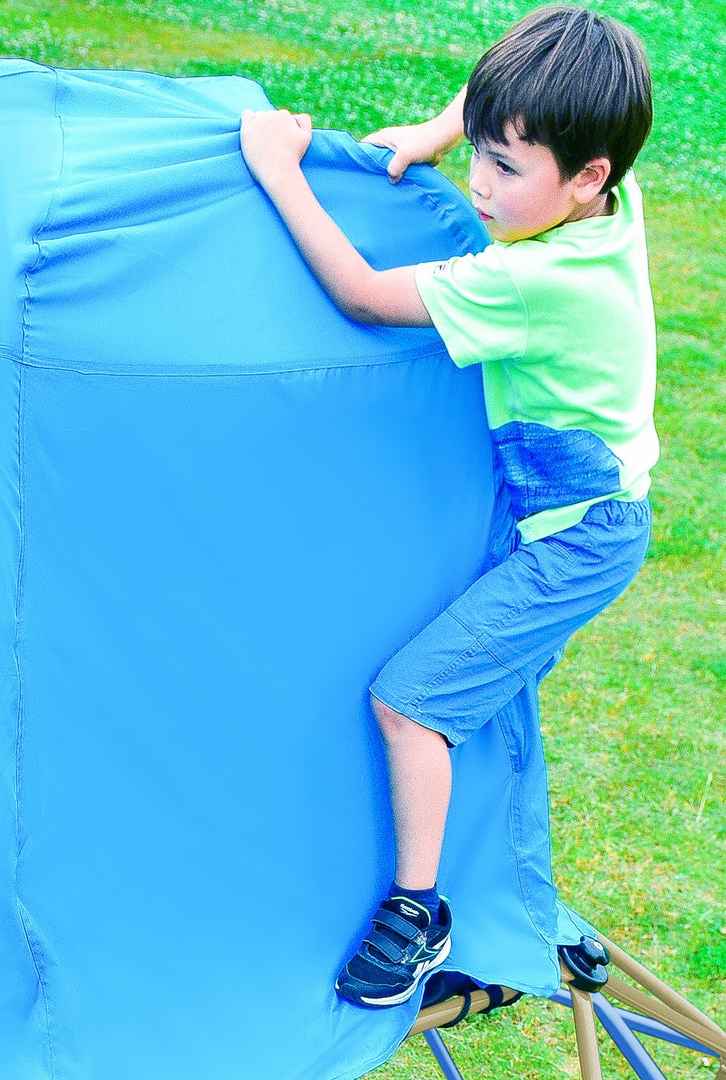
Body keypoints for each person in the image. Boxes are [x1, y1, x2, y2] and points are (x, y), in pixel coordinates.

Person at [238, 5, 656, 1007]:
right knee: (471, 693)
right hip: (577, 510)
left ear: (585, 177)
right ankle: (505, 886)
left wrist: (278, 169)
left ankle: (418, 912)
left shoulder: (534, 279)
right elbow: (500, 83)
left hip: (574, 538)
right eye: (480, 153)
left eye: (506, 169)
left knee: (410, 700)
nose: (479, 183)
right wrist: (438, 129)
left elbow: (362, 295)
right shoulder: (610, 200)